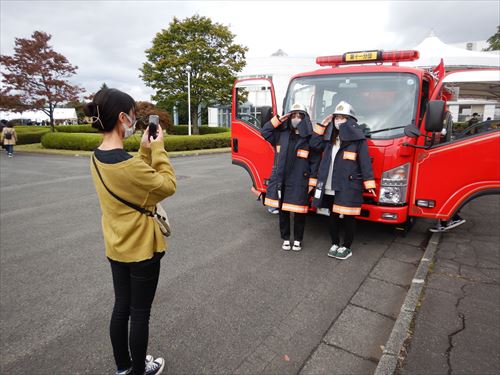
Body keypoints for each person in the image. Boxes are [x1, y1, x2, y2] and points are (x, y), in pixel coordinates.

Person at [85, 88, 176, 375]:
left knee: (121, 307)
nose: (135, 122)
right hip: (141, 250)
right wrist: (158, 148)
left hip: (116, 246)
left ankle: (124, 367)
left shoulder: (97, 157)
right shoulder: (126, 166)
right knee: (139, 314)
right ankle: (140, 371)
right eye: (134, 117)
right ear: (123, 117)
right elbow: (166, 185)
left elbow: (134, 174)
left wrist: (145, 150)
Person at [311, 101, 375, 260]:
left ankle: (346, 246)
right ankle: (334, 243)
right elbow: (313, 144)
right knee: (332, 214)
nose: (339, 121)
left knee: (348, 216)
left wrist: (369, 183)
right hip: (328, 183)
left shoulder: (358, 140)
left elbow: (365, 163)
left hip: (348, 185)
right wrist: (322, 125)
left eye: (343, 117)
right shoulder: (329, 138)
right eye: (337, 117)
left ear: (351, 120)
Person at [261, 103, 319, 251]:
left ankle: (298, 239)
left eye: (299, 116)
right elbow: (265, 131)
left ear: (304, 118)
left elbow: (315, 160)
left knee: (300, 212)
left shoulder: (309, 138)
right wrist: (279, 119)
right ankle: (286, 238)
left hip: (300, 180)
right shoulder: (282, 134)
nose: (296, 119)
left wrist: (312, 182)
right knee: (283, 211)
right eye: (293, 115)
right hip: (283, 179)